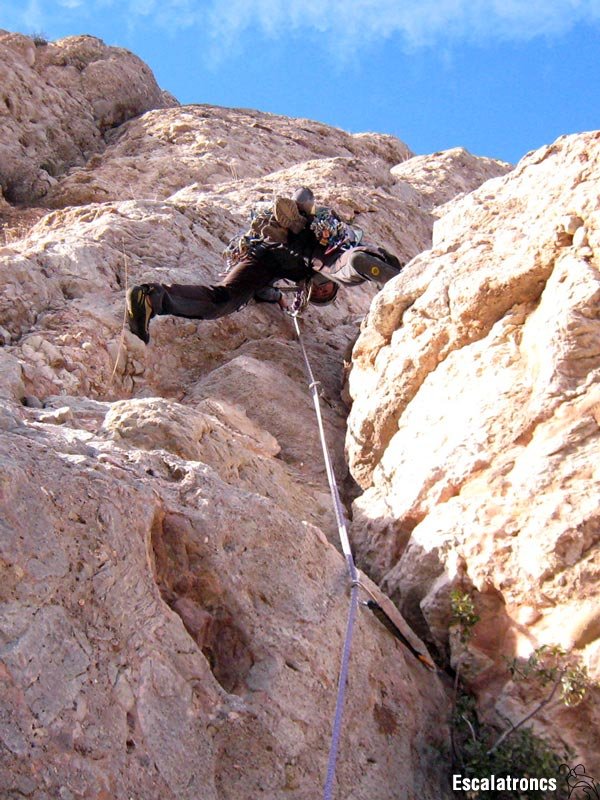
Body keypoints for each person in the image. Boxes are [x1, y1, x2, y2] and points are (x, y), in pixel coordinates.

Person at [126, 187, 404, 344]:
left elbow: (259, 291)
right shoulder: (318, 271)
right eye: (324, 291)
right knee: (343, 263)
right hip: (302, 248)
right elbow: (340, 250)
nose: (319, 291)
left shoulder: (289, 283)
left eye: (318, 296)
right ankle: (364, 260)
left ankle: (151, 298)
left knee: (224, 299)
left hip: (267, 255)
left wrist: (279, 298)